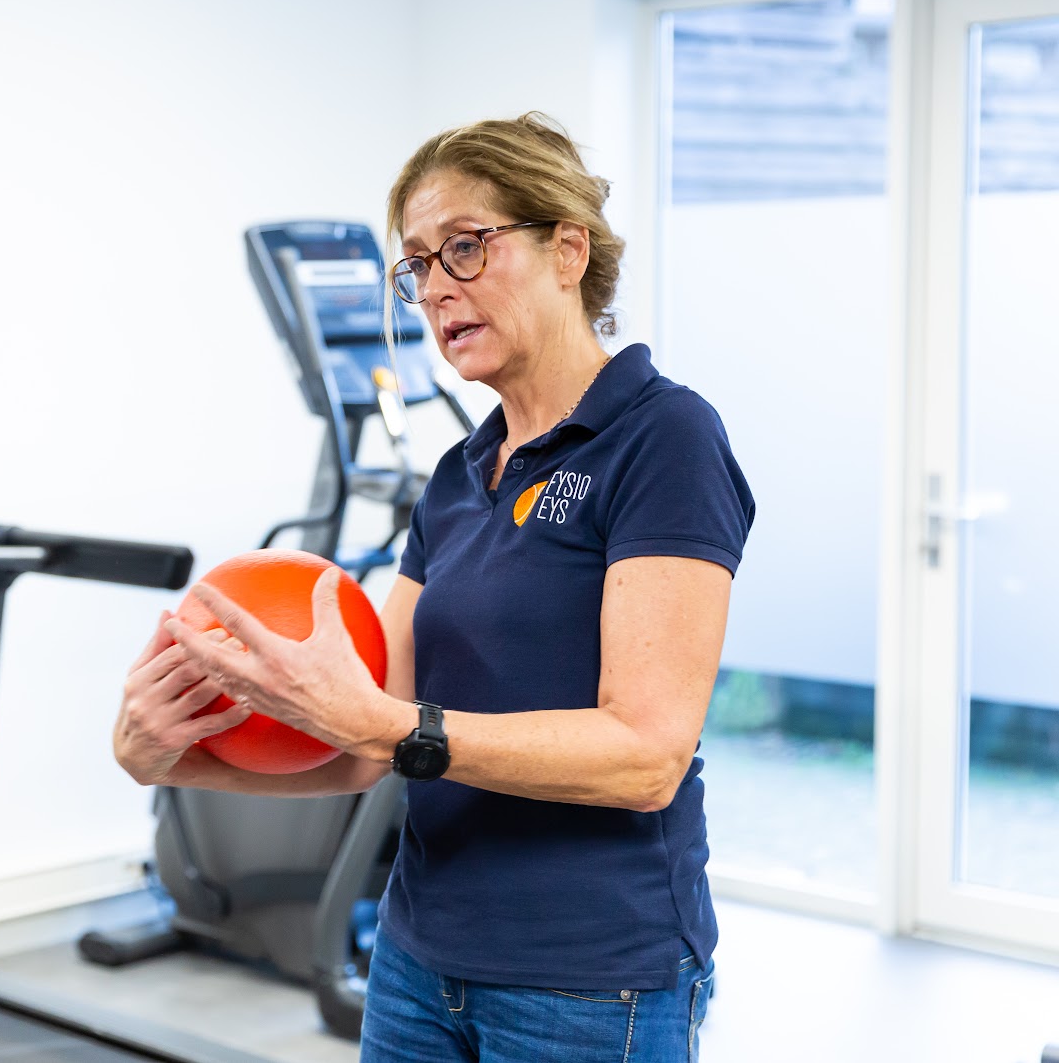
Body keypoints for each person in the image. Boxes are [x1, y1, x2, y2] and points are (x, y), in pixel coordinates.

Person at [114, 113, 754, 1062]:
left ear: (567, 248)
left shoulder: (665, 439)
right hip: (418, 962)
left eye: (465, 248)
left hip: (589, 976)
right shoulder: (460, 476)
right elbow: (369, 746)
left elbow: (645, 753)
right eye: (417, 266)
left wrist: (382, 724)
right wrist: (170, 758)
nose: (436, 289)